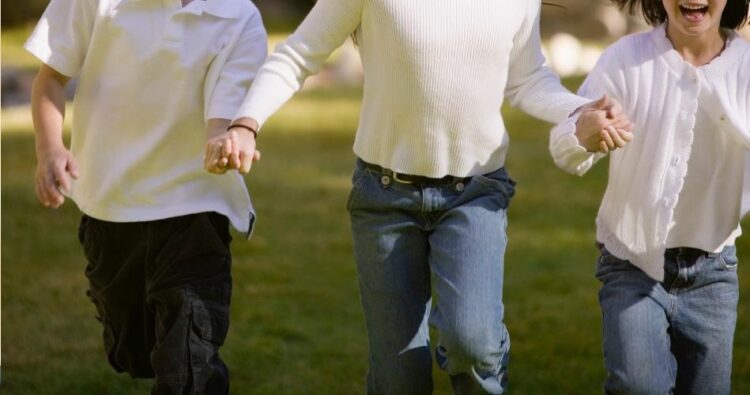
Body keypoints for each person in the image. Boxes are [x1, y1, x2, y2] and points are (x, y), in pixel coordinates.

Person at [205, 0, 632, 393]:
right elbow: (299, 53)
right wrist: (245, 123)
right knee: (398, 377)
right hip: (384, 197)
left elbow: (527, 79)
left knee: (473, 344)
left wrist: (577, 109)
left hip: (475, 193)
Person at [26, 0, 267, 392]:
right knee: (133, 352)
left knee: (189, 367)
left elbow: (220, 123)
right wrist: (49, 149)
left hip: (194, 214)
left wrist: (223, 144)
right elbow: (50, 77)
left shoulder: (239, 17)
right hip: (110, 208)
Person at [549, 0, 750, 393]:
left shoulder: (745, 70)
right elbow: (563, 142)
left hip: (713, 272)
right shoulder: (626, 60)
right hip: (631, 262)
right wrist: (583, 134)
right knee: (639, 386)